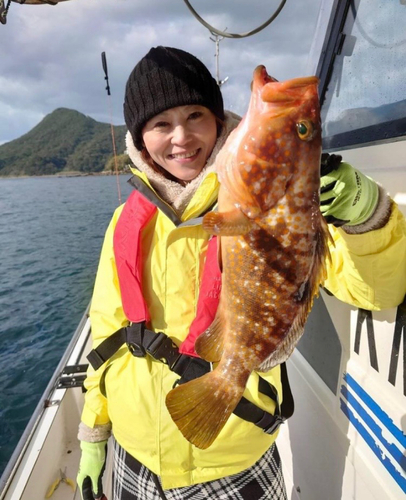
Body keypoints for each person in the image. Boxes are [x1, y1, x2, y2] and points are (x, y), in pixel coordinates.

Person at [76, 46, 406, 500]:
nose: (181, 137)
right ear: (139, 137)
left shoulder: (288, 204)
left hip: (234, 460)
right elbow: (107, 331)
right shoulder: (124, 223)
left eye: (196, 115)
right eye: (160, 124)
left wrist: (369, 215)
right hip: (134, 455)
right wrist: (94, 432)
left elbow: (378, 289)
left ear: (219, 120)